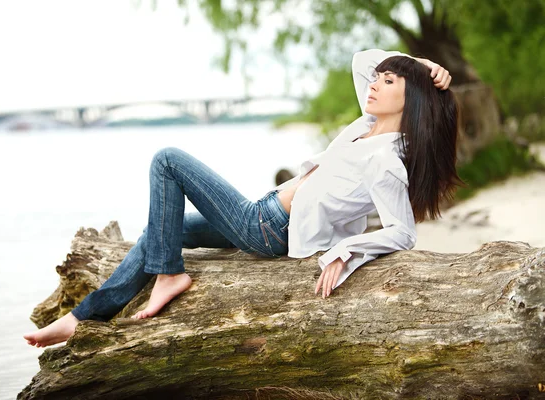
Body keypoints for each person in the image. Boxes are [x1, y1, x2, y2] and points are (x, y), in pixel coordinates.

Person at [24, 48, 460, 348]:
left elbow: (403, 233)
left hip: (267, 227)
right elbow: (362, 59)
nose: (374, 83)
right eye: (379, 79)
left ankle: (169, 276)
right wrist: (420, 64)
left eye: (388, 80)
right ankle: (83, 318)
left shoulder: (386, 158)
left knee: (167, 161)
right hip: (268, 211)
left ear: (412, 96)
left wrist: (347, 251)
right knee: (163, 229)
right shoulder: (368, 124)